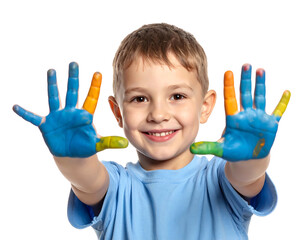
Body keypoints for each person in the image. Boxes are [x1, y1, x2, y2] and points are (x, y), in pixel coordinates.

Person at [13, 23, 290, 239]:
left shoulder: (220, 177)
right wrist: (73, 159)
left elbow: (247, 177)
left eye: (177, 96)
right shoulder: (116, 187)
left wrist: (252, 156)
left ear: (205, 107)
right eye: (139, 99)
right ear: (118, 112)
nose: (158, 114)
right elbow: (87, 180)